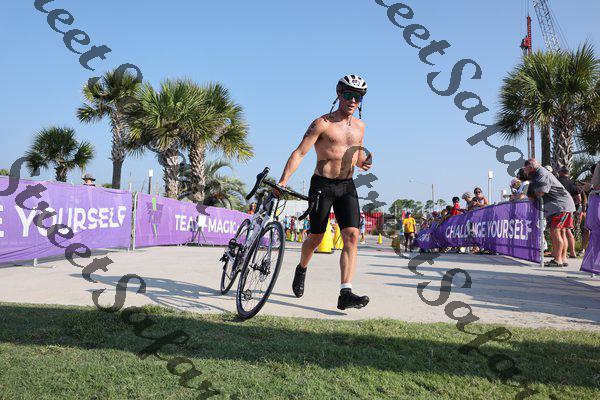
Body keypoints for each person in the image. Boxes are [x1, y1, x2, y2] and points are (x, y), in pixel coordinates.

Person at [276, 74, 372, 310]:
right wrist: (283, 181)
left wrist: (364, 161)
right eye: (348, 94)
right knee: (316, 237)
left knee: (352, 235)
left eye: (357, 97)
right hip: (322, 185)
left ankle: (345, 292)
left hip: (347, 186)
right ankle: (302, 268)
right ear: (339, 94)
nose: (352, 100)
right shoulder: (322, 123)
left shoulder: (360, 126)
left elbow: (357, 153)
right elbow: (300, 152)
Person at [525, 158, 575, 267]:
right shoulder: (539, 173)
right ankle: (563, 259)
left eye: (526, 169)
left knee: (555, 231)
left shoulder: (541, 173)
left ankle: (558, 260)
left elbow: (541, 192)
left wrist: (532, 195)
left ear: (530, 167)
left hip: (560, 206)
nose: (525, 171)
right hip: (563, 204)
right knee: (561, 231)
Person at [557, 166, 581, 258]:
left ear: (561, 172)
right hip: (570, 209)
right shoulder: (573, 183)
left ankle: (559, 254)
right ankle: (572, 252)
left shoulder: (557, 181)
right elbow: (579, 198)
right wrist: (574, 205)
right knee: (568, 230)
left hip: (559, 208)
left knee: (558, 230)